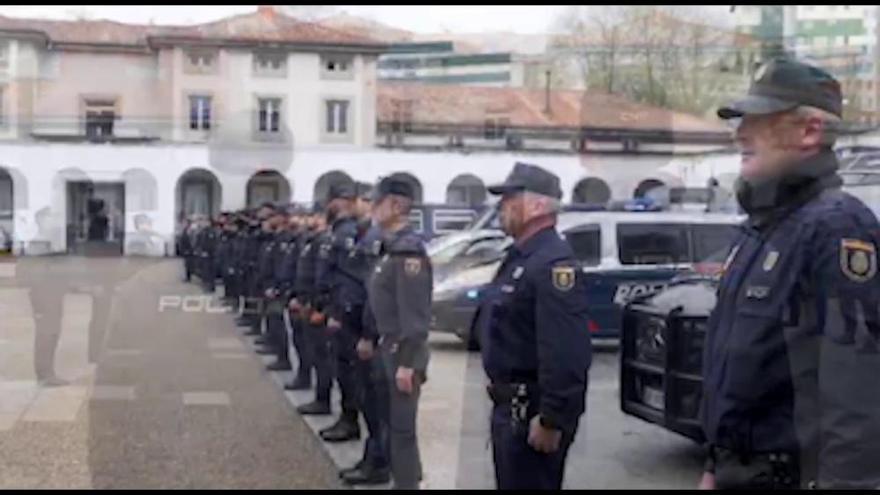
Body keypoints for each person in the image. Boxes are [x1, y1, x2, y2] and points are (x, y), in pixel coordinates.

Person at [700, 57, 880, 490]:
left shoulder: (836, 229)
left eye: (760, 119)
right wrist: (713, 465)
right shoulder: (760, 229)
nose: (741, 132)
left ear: (810, 132)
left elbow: (857, 398)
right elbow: (739, 375)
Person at [479, 162, 592, 490]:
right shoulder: (521, 258)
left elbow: (566, 352)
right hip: (510, 409)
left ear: (538, 206)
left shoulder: (552, 265)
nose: (502, 208)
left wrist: (552, 419)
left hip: (531, 414)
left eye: (510, 199)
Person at [367, 177, 432, 490]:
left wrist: (408, 362)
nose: (371, 208)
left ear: (395, 205)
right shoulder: (390, 247)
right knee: (393, 428)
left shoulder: (408, 252)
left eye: (376, 202)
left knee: (402, 431)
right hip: (388, 348)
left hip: (401, 353)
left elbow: (415, 315)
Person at [340, 182, 392, 485]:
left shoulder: (383, 240)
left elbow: (378, 294)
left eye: (361, 201)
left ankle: (380, 463)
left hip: (378, 337)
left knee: (378, 407)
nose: (360, 206)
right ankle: (373, 458)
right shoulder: (367, 236)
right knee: (368, 402)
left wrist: (370, 334)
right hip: (360, 326)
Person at [316, 181, 364, 444]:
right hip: (338, 308)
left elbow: (347, 278)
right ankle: (347, 418)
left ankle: (350, 421)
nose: (332, 205)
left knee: (348, 370)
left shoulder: (347, 232)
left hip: (345, 313)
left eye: (336, 200)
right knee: (342, 368)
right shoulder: (338, 231)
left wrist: (336, 311)